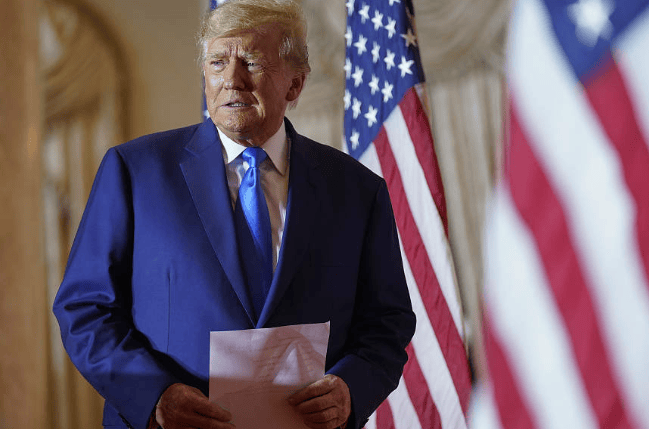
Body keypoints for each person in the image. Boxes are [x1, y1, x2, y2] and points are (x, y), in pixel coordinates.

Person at [53, 1, 415, 428]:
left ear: (295, 84)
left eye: (252, 63)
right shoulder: (135, 172)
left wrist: (351, 388)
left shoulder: (356, 189)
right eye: (218, 62)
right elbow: (85, 308)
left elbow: (387, 322)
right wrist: (154, 396)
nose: (232, 80)